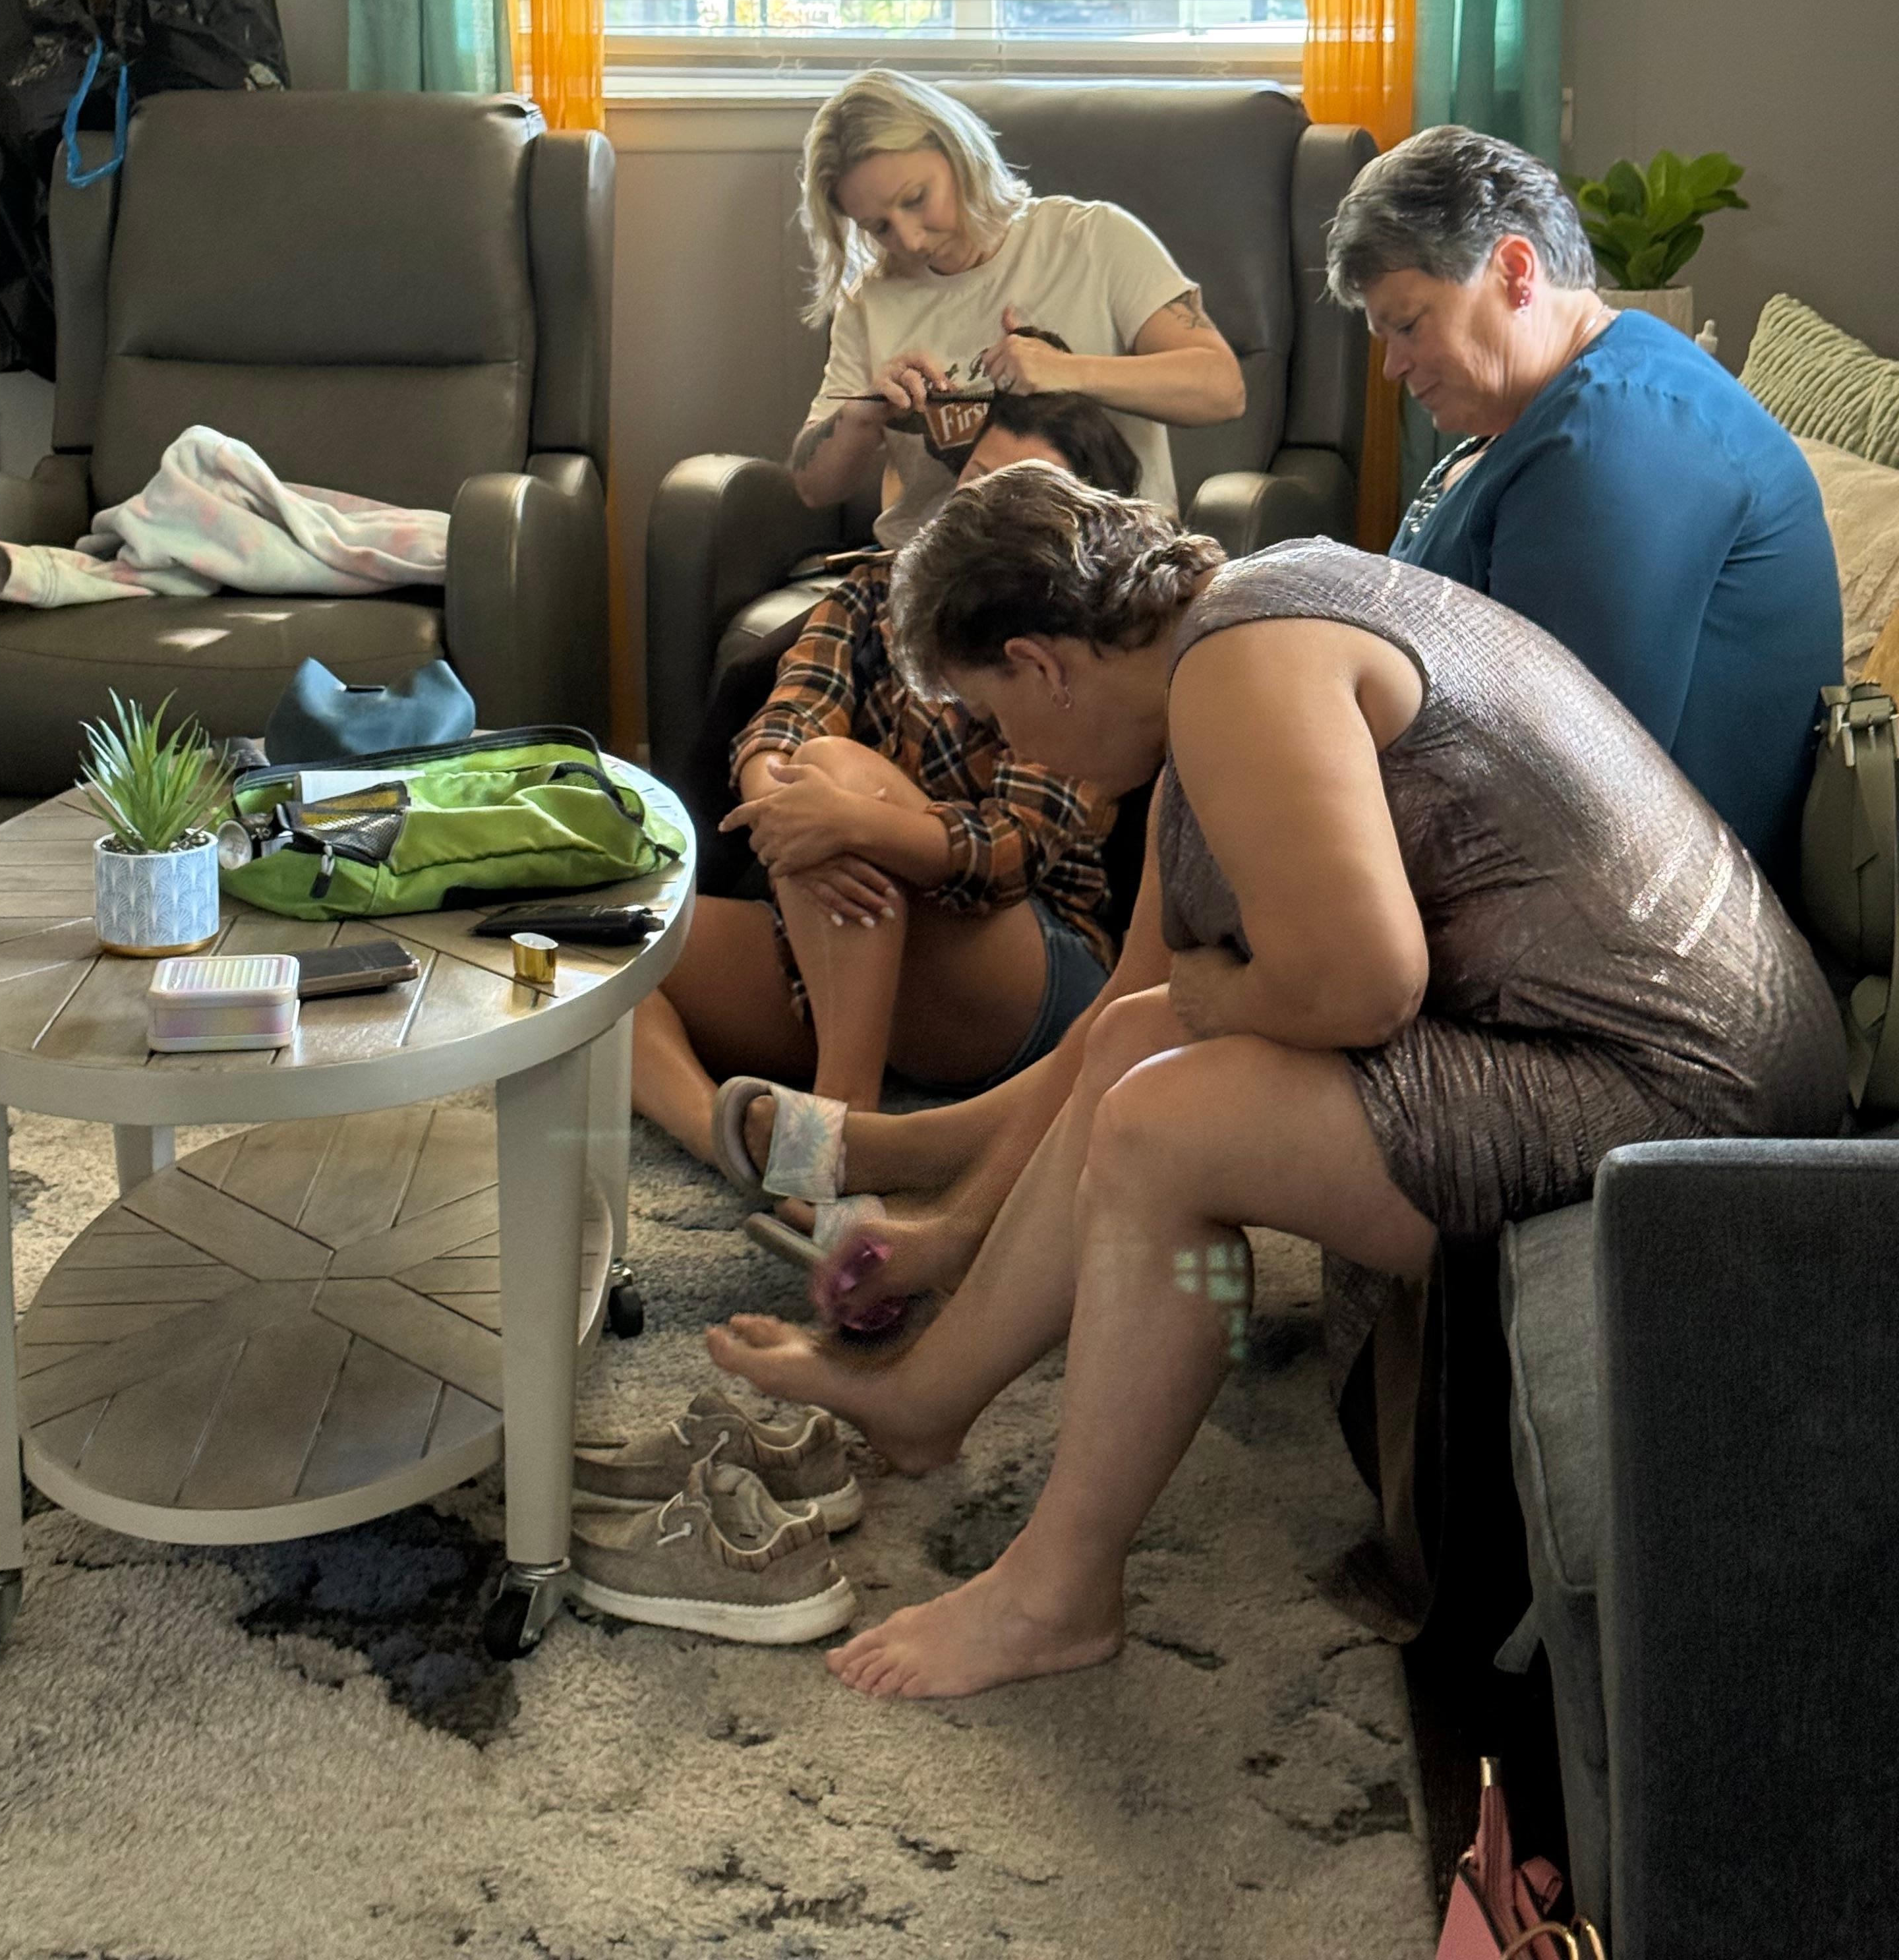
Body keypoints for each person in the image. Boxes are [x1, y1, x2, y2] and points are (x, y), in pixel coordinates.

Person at [706, 467, 1848, 1700]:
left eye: (992, 716)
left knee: (1166, 1129)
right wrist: (947, 1238)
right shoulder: (1233, 623)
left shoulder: (1239, 673)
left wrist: (1212, 1008)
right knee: (1140, 1055)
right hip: (1660, 1050)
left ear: (1040, 663)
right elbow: (1119, 1023)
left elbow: (1362, 986)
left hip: (1685, 1109)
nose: (1006, 749)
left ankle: (1057, 1592)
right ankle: (927, 1402)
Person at [630, 394, 1143, 1175]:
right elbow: (780, 725)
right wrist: (795, 805)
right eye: (973, 481)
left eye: (1014, 493)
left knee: (838, 773)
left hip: (1019, 965)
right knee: (608, 961)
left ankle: (836, 1128)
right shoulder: (879, 590)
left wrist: (849, 822)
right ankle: (728, 1144)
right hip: (852, 944)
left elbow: (1016, 849)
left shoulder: (1077, 642)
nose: (977, 510)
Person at [1324, 125, 1841, 891]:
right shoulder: (1552, 414)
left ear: (1515, 271)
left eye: (1407, 323)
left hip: (1637, 945)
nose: (1394, 364)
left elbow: (1557, 784)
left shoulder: (1615, 433)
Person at [784, 69, 1245, 547]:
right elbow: (813, 488)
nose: (910, 239)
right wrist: (866, 413)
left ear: (958, 154)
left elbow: (1222, 388)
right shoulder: (870, 302)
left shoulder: (1094, 239)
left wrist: (1066, 371)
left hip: (1105, 561)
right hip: (934, 576)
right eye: (879, 227)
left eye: (917, 199)